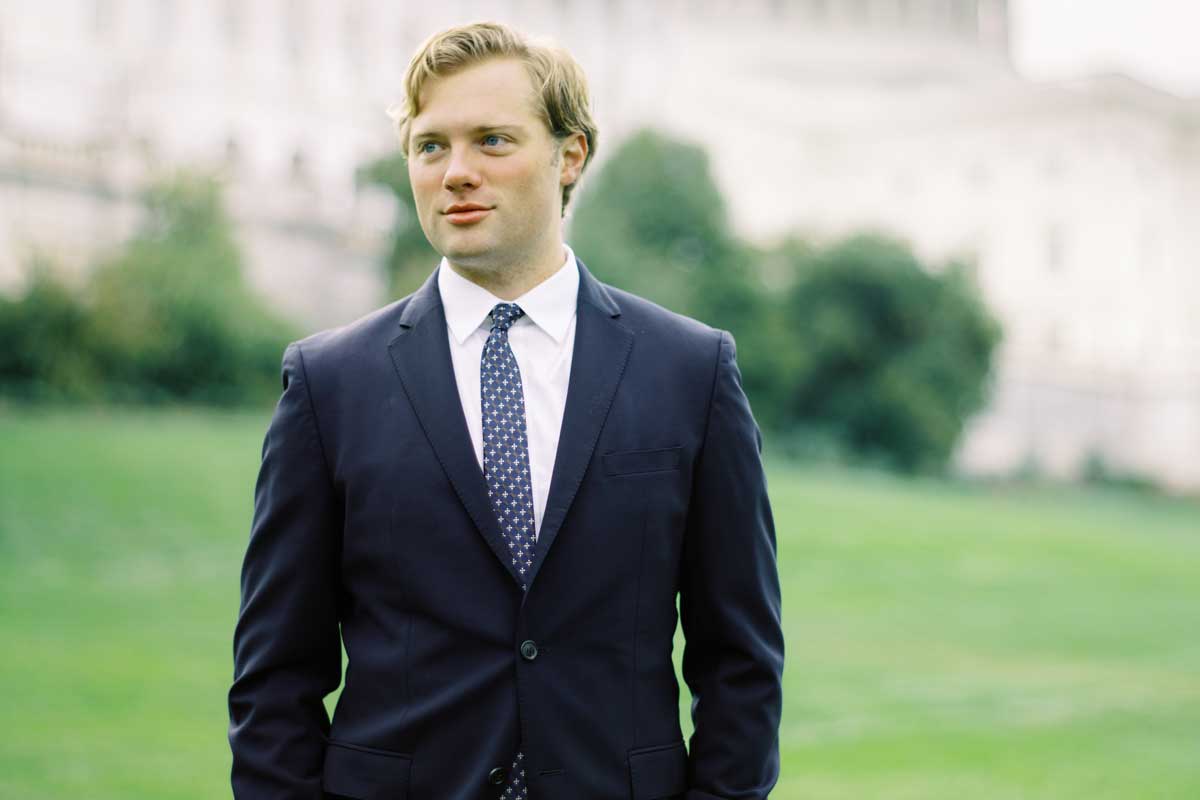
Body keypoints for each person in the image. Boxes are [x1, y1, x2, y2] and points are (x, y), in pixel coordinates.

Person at [228, 21, 783, 800]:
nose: (456, 172)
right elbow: (276, 677)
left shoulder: (691, 372)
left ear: (570, 154)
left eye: (492, 141)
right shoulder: (328, 384)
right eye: (430, 146)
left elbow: (741, 663)